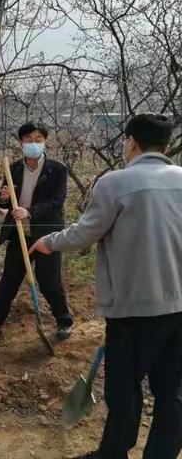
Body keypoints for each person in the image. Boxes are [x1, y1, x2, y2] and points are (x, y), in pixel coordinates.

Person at [30, 114, 182, 459]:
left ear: (131, 142)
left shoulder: (115, 183)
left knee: (124, 391)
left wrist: (48, 242)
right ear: (167, 145)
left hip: (132, 310)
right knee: (171, 391)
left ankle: (112, 453)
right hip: (178, 309)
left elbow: (86, 232)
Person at [0, 121, 73, 347]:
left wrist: (29, 212)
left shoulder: (57, 170)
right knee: (8, 282)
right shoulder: (13, 169)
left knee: (49, 281)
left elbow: (57, 202)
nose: (34, 144)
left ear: (45, 142)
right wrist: (3, 198)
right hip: (18, 233)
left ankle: (64, 321)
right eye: (29, 140)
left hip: (46, 235)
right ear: (21, 142)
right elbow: (4, 200)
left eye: (38, 140)